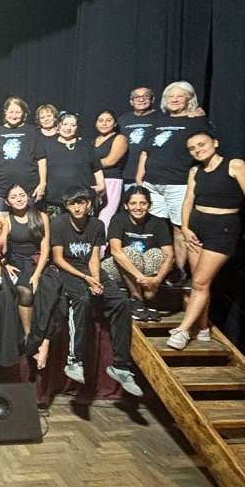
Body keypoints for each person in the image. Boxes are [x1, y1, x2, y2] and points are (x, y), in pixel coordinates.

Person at [51, 186, 143, 396]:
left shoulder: (97, 225)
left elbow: (94, 258)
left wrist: (96, 280)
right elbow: (58, 259)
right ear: (67, 206)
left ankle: (120, 366)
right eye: (72, 204)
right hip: (68, 269)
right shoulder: (59, 224)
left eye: (81, 203)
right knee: (82, 299)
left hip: (91, 271)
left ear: (88, 204)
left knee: (121, 301)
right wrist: (86, 279)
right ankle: (74, 361)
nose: (77, 208)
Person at [167, 131, 245, 350]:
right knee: (201, 283)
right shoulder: (195, 171)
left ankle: (183, 330)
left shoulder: (235, 165)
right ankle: (202, 329)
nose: (197, 150)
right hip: (196, 227)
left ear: (215, 143)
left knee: (199, 282)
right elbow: (188, 201)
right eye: (192, 148)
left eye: (201, 145)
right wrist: (185, 228)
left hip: (223, 228)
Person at [136, 81, 212, 285]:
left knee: (179, 228)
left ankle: (180, 271)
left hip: (179, 183)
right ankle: (160, 268)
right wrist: (140, 175)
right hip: (152, 183)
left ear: (189, 99)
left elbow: (207, 149)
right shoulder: (159, 120)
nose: (174, 99)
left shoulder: (197, 121)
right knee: (157, 227)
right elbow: (146, 151)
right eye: (171, 96)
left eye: (180, 96)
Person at [1, 184, 61, 370]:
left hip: (37, 263)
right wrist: (5, 264)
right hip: (16, 265)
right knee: (25, 291)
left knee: (50, 291)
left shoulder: (41, 217)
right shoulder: (5, 218)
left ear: (28, 197)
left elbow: (45, 249)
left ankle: (45, 341)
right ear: (7, 202)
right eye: (13, 197)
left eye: (22, 195)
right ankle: (29, 338)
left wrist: (36, 275)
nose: (19, 199)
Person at [102, 186, 174, 322]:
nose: (138, 207)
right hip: (118, 269)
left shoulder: (158, 223)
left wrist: (158, 279)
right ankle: (137, 299)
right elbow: (115, 251)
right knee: (129, 252)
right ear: (126, 205)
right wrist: (140, 277)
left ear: (149, 205)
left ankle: (150, 297)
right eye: (133, 203)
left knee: (157, 253)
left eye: (143, 203)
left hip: (147, 274)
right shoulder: (119, 219)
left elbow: (170, 255)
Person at [0, 96, 46, 211]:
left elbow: (41, 159)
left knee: (29, 220)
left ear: (23, 113)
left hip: (29, 189)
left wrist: (42, 183)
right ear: (5, 112)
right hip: (0, 190)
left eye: (18, 112)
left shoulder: (32, 132)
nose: (14, 116)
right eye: (11, 112)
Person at [40, 112, 103, 217]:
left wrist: (101, 185)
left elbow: (96, 167)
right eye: (65, 124)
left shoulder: (86, 145)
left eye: (73, 125)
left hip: (82, 199)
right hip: (55, 199)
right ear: (58, 125)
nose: (68, 128)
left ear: (77, 128)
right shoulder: (47, 145)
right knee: (56, 227)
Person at [117, 86, 161, 191]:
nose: (141, 100)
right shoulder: (123, 120)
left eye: (145, 96)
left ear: (152, 99)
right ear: (131, 102)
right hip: (126, 175)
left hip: (150, 176)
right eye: (137, 97)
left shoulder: (162, 118)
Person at [94, 110, 128, 231]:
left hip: (111, 181)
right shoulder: (93, 141)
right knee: (92, 216)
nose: (104, 124)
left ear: (115, 124)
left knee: (105, 217)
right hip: (94, 181)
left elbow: (111, 160)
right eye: (100, 121)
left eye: (108, 121)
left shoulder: (119, 138)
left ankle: (103, 243)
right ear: (96, 124)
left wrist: (87, 164)